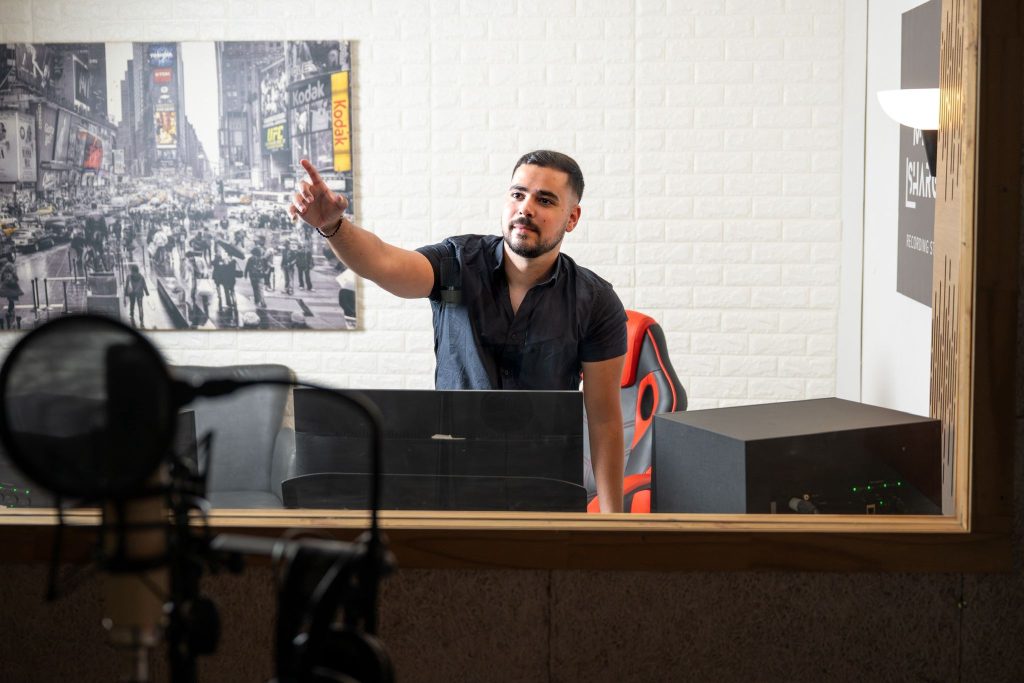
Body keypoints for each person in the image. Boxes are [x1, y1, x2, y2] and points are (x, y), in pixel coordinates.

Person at [289, 151, 627, 512]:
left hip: (545, 487)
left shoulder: (595, 301)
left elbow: (604, 420)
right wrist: (334, 226)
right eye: (518, 194)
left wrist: (613, 526)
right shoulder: (456, 263)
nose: (525, 208)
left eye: (544, 200)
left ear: (572, 218)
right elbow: (384, 262)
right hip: (452, 480)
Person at [124, 263, 149, 327]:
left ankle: (132, 315)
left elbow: (126, 286)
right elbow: (144, 285)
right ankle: (141, 320)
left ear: (132, 270)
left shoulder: (129, 277)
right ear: (138, 270)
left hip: (132, 293)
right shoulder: (141, 277)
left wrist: (125, 295)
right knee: (140, 306)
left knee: (132, 304)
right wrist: (147, 293)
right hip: (139, 293)